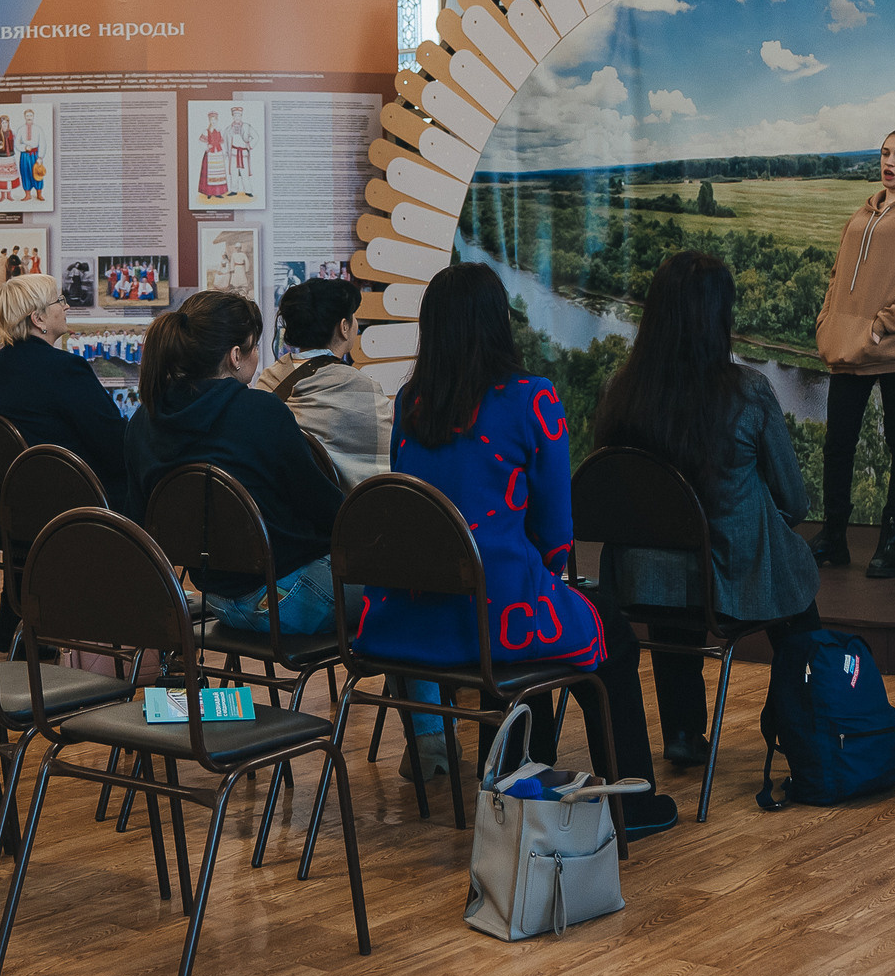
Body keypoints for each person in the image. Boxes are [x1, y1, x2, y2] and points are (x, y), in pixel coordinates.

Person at [353, 261, 677, 839]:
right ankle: (629, 804)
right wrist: (549, 573)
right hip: (500, 616)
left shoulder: (409, 403)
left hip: (413, 617)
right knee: (610, 636)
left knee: (557, 634)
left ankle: (518, 776)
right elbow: (556, 533)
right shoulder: (533, 398)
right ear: (498, 324)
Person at [589, 252, 822, 770]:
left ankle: (681, 729)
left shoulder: (621, 392)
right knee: (797, 596)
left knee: (672, 572)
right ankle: (803, 721)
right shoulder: (749, 392)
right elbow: (795, 502)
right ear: (719, 317)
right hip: (726, 582)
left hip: (638, 583)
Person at [124, 291, 344, 634]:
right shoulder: (261, 412)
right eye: (255, 347)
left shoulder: (143, 421)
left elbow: (142, 523)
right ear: (235, 356)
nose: (259, 356)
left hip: (214, 599)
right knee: (402, 592)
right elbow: (327, 511)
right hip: (286, 599)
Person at [810, 126, 895, 581]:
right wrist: (827, 320)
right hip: (850, 348)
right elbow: (838, 274)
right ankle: (833, 537)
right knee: (838, 445)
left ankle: (893, 544)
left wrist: (880, 325)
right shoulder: (864, 212)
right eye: (885, 154)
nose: (889, 163)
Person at [0, 272, 132, 635]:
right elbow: (111, 440)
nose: (66, 306)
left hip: (5, 507)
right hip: (62, 504)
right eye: (59, 301)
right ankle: (125, 614)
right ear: (38, 319)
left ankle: (18, 616)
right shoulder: (65, 368)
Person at [251, 277, 391, 485]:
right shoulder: (365, 389)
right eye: (353, 318)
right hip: (342, 514)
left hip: (278, 513)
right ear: (344, 327)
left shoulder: (269, 380)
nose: (356, 326)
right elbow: (381, 476)